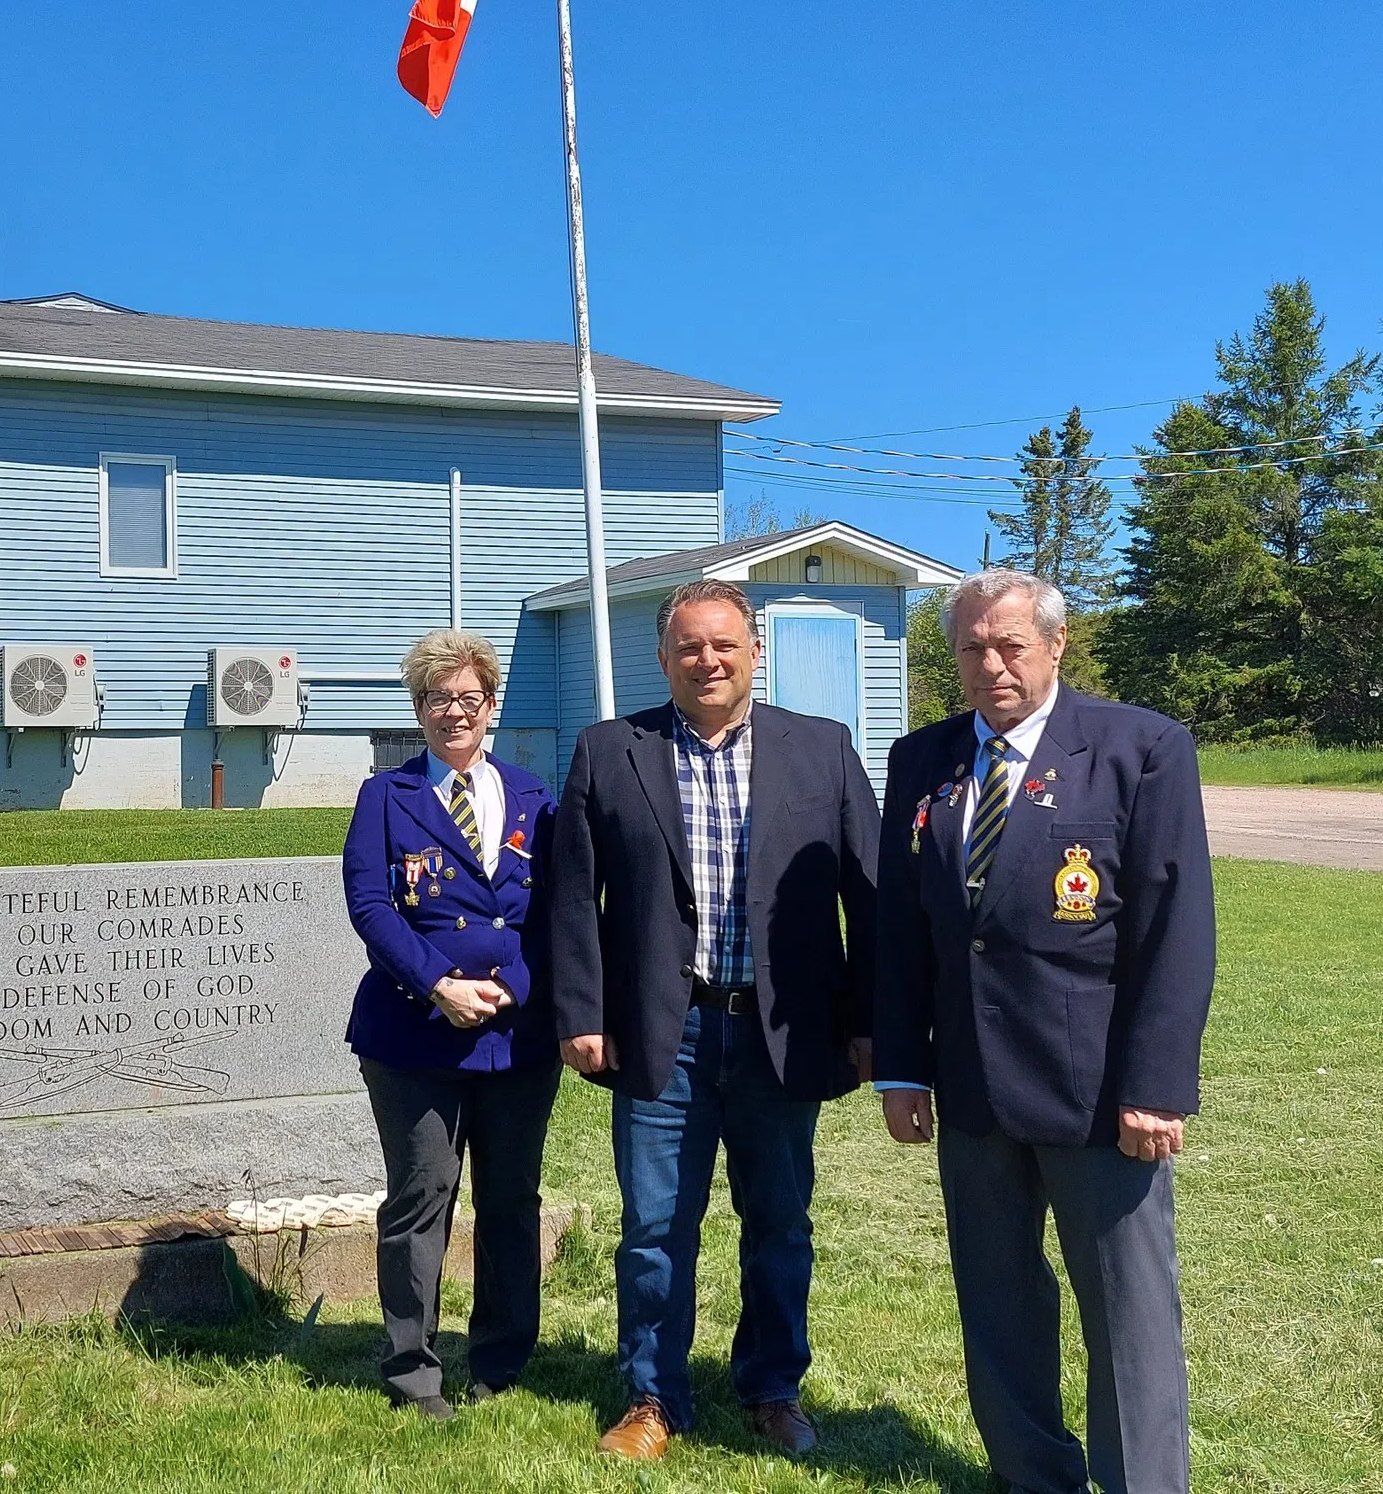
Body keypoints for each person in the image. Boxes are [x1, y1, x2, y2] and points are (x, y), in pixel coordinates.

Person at [875, 568, 1214, 1494]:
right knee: (998, 1304)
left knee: (1128, 1314)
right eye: (973, 647)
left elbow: (1175, 930)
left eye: (1011, 645)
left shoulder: (1140, 748)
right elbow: (901, 933)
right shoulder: (922, 761)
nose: (992, 665)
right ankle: (1033, 1476)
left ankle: (1143, 1483)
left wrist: (1156, 1087)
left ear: (1056, 645)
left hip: (1099, 1090)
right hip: (972, 1085)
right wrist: (902, 1068)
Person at [549, 579, 879, 1461]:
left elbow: (870, 898)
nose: (708, 660)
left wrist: (869, 1019)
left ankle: (773, 1389)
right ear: (664, 659)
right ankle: (653, 1398)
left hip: (783, 1031)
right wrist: (582, 1011)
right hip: (669, 1033)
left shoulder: (824, 750)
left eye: (725, 644)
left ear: (754, 651)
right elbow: (574, 898)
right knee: (655, 1226)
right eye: (690, 647)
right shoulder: (609, 750)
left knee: (780, 1222)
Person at [341, 628, 560, 1422]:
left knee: (511, 1200)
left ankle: (500, 1361)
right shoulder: (386, 797)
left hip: (517, 1037)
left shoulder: (535, 796)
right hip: (414, 1037)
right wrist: (438, 984)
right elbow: (370, 905)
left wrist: (519, 986)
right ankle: (413, 1372)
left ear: (491, 705)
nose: (454, 713)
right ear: (418, 710)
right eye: (438, 699)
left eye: (469, 698)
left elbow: (557, 910)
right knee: (420, 1198)